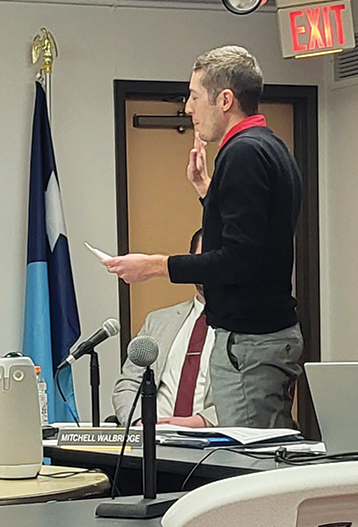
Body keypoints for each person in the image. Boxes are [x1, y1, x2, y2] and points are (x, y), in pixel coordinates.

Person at [102, 46, 303, 429]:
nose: (188, 109)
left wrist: (156, 266)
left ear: (225, 99)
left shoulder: (242, 153)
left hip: (250, 341)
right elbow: (258, 235)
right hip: (264, 336)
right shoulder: (270, 146)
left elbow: (240, 259)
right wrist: (208, 193)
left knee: (246, 467)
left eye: (194, 97)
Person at [113, 230, 216, 428]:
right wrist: (139, 422)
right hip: (154, 441)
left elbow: (252, 395)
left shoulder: (247, 328)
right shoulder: (158, 321)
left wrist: (203, 422)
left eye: (213, 261)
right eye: (201, 260)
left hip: (213, 443)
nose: (207, 269)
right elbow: (128, 383)